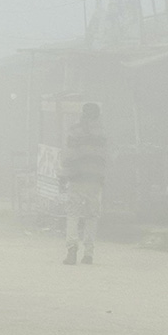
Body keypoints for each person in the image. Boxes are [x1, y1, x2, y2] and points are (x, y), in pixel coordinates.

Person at [59, 102, 107, 265]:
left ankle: (72, 250)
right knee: (91, 215)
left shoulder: (75, 131)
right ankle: (89, 254)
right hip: (94, 179)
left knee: (73, 214)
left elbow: (69, 154)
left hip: (77, 177)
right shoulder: (102, 133)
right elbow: (105, 157)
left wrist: (63, 175)